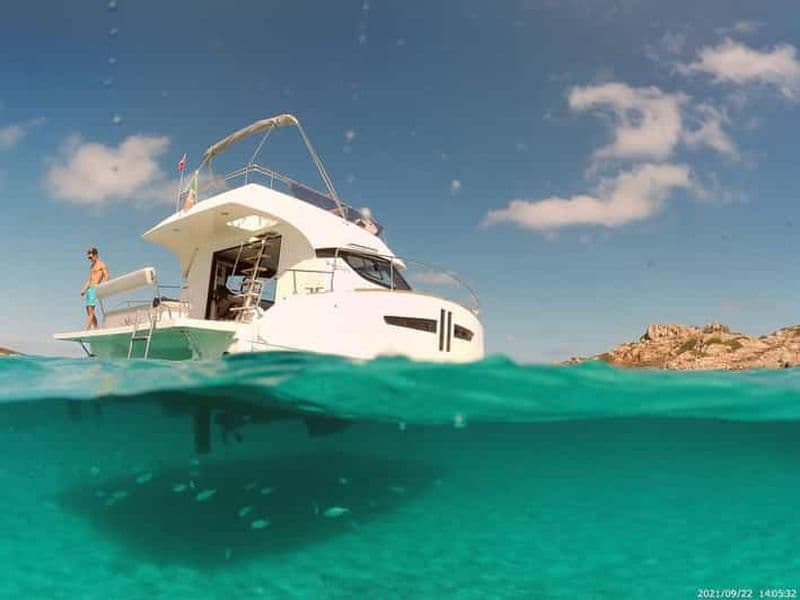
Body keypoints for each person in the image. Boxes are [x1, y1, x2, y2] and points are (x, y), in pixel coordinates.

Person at [80, 247, 109, 330]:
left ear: (96, 255)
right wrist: (84, 290)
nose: (90, 259)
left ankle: (86, 329)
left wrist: (105, 284)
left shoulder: (101, 264)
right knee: (88, 311)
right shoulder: (92, 266)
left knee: (91, 311)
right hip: (90, 290)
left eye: (91, 257)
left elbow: (106, 275)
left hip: (95, 288)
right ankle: (96, 328)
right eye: (88, 257)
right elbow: (89, 280)